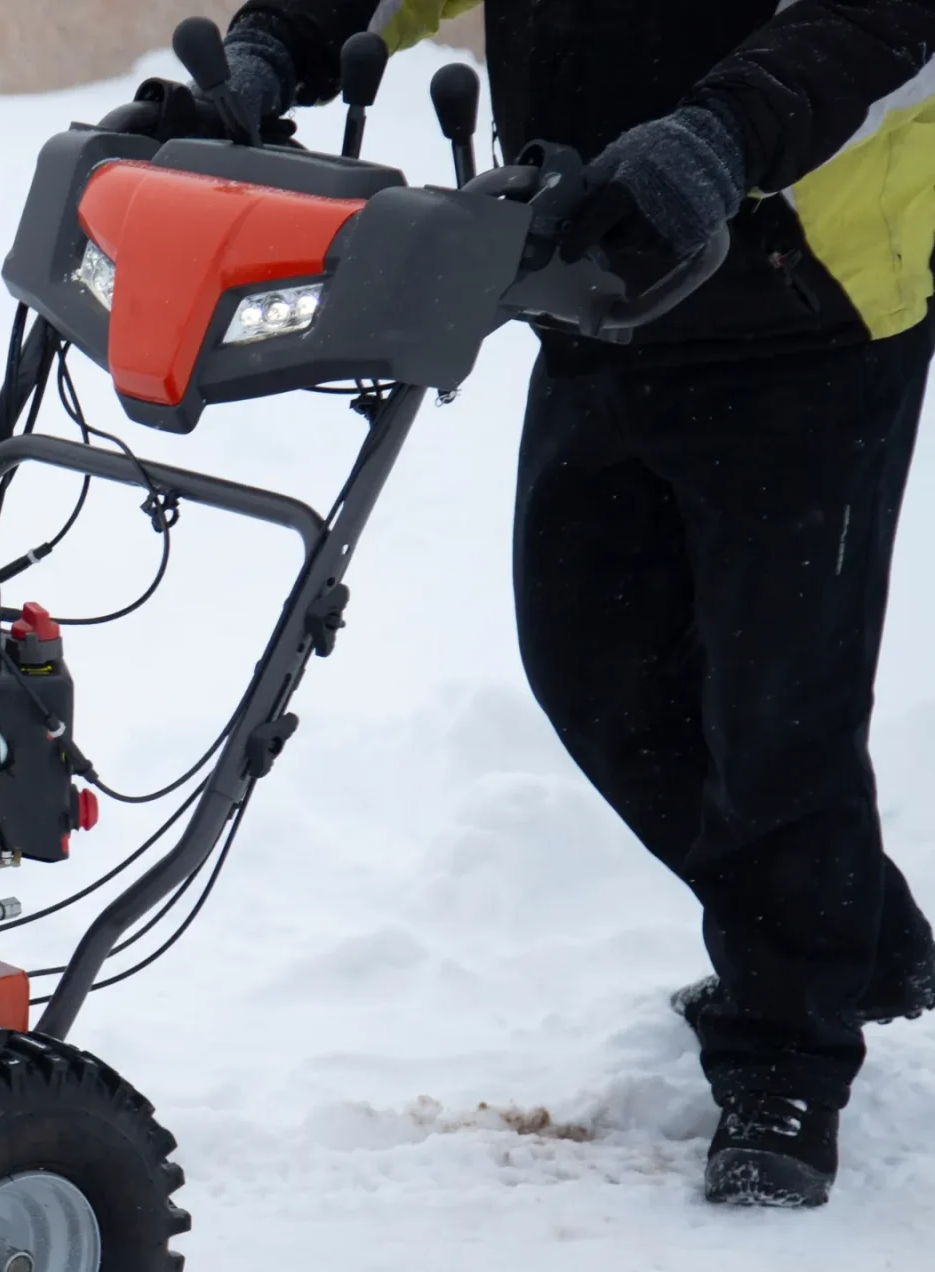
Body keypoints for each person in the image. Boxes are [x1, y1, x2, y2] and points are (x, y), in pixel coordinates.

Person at [110, 0, 935, 1207]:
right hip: (599, 270)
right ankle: (845, 931)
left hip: (808, 304)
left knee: (780, 708)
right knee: (589, 663)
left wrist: (725, 132)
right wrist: (276, 44)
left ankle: (786, 1053)